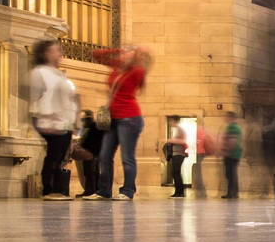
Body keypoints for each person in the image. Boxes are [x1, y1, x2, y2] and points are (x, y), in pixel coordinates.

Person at [93, 45, 151, 200]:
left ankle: (127, 191)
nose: (124, 55)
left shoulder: (137, 71)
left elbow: (146, 65)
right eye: (123, 52)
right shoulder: (116, 67)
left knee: (127, 157)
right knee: (104, 156)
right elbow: (96, 54)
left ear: (134, 57)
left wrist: (138, 55)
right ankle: (104, 191)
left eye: (128, 53)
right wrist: (116, 51)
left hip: (130, 118)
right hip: (112, 117)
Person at [28, 39, 77, 201]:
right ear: (46, 53)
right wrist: (45, 116)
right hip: (51, 121)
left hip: (63, 122)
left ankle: (56, 190)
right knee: (54, 156)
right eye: (55, 50)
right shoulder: (39, 72)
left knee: (59, 156)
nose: (59, 53)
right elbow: (34, 98)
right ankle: (49, 190)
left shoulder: (57, 74)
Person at [73, 110, 104, 198]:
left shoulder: (92, 127)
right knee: (87, 171)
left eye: (83, 119)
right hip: (86, 152)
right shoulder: (84, 127)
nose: (81, 121)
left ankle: (91, 191)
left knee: (91, 171)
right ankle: (89, 190)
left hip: (90, 153)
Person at [161, 126, 190, 198]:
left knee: (176, 173)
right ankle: (177, 192)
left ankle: (180, 193)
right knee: (175, 173)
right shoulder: (178, 131)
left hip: (179, 154)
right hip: (175, 154)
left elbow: (183, 141)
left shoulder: (181, 130)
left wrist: (170, 140)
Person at [222, 113, 243, 200]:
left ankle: (232, 193)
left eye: (226, 117)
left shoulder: (233, 128)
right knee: (231, 174)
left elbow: (233, 140)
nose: (225, 118)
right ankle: (233, 193)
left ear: (231, 118)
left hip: (232, 154)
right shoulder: (234, 127)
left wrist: (227, 151)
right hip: (234, 154)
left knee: (230, 174)